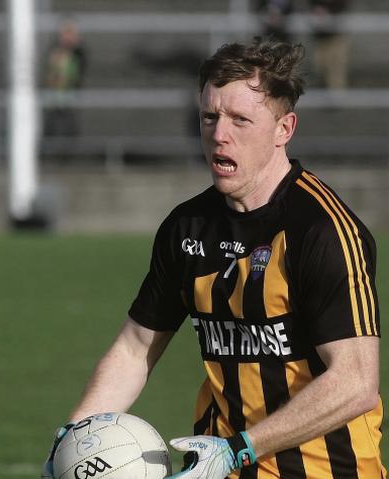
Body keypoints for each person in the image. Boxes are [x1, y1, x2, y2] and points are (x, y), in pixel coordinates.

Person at [42, 38, 383, 478]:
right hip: (223, 467)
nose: (219, 135)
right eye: (210, 116)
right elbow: (135, 348)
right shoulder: (188, 228)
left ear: (284, 128)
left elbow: (355, 384)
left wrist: (239, 449)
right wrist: (73, 435)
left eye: (241, 120)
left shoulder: (322, 231)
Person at [43, 18, 87, 138]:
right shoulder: (54, 50)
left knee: (69, 125)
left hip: (71, 93)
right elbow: (49, 72)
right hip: (54, 94)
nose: (68, 36)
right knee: (51, 124)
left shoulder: (79, 53)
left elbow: (78, 73)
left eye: (71, 33)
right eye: (65, 33)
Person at [309, 0, 351, 89]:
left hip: (337, 36)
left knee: (336, 69)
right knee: (320, 67)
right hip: (320, 37)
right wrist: (317, 10)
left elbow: (344, 5)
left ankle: (337, 98)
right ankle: (323, 93)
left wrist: (328, 12)